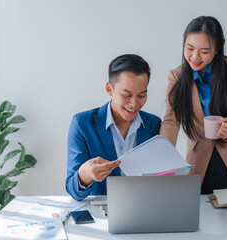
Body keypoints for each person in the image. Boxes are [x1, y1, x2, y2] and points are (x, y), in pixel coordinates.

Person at [160, 16, 227, 194]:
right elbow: (171, 121)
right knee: (199, 216)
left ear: (217, 49)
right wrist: (163, 153)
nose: (195, 57)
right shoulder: (176, 76)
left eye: (204, 51)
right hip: (199, 162)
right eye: (190, 48)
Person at [66, 54, 161, 200]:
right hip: (101, 216)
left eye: (141, 95)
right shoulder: (82, 124)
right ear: (110, 89)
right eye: (127, 95)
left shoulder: (153, 125)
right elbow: (73, 191)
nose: (134, 104)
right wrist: (84, 174)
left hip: (143, 209)